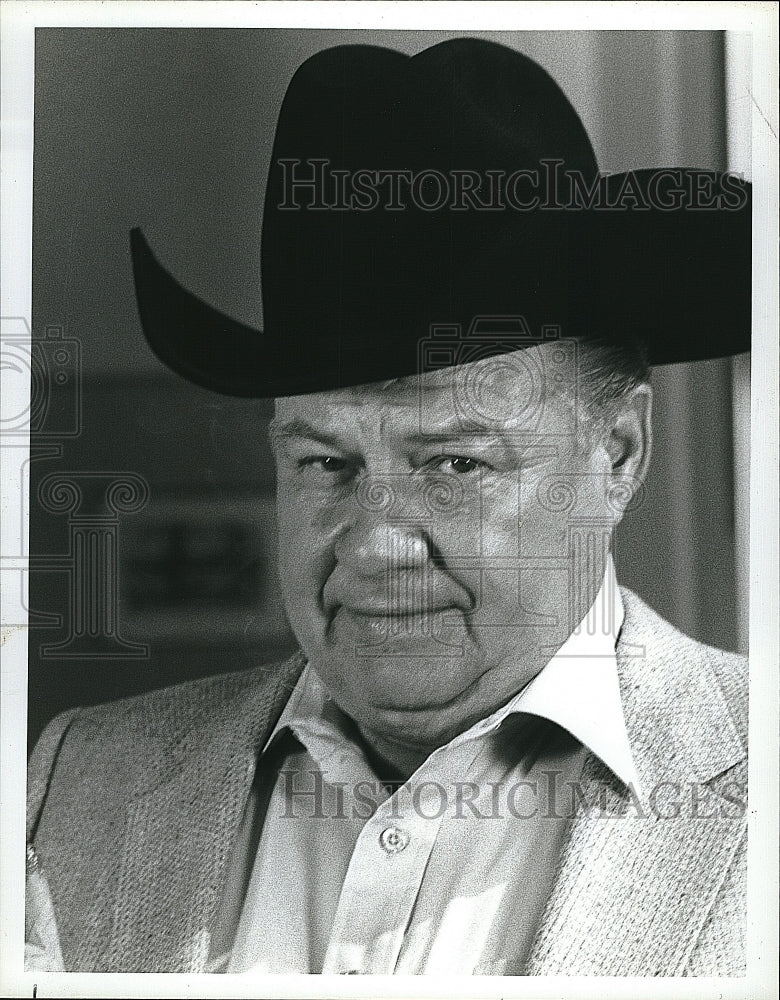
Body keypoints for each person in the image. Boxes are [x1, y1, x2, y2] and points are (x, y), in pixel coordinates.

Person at [26, 39, 749, 976]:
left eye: (453, 461)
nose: (374, 544)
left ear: (617, 455)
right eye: (327, 463)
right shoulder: (71, 781)